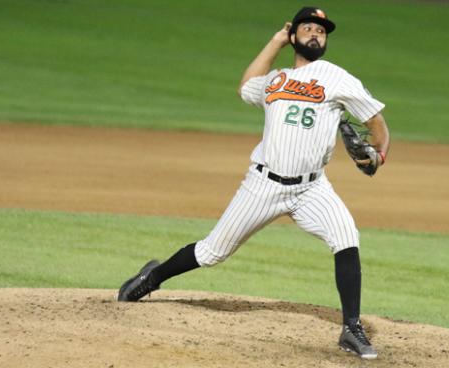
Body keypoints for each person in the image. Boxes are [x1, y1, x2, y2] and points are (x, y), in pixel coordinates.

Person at [117, 6, 390, 360]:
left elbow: (376, 119)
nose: (315, 35)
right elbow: (246, 87)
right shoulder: (277, 79)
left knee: (346, 238)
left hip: (311, 188)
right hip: (263, 185)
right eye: (308, 28)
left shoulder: (338, 78)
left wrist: (380, 155)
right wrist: (275, 41)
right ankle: (153, 277)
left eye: (321, 31)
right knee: (213, 252)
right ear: (294, 36)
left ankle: (351, 329)